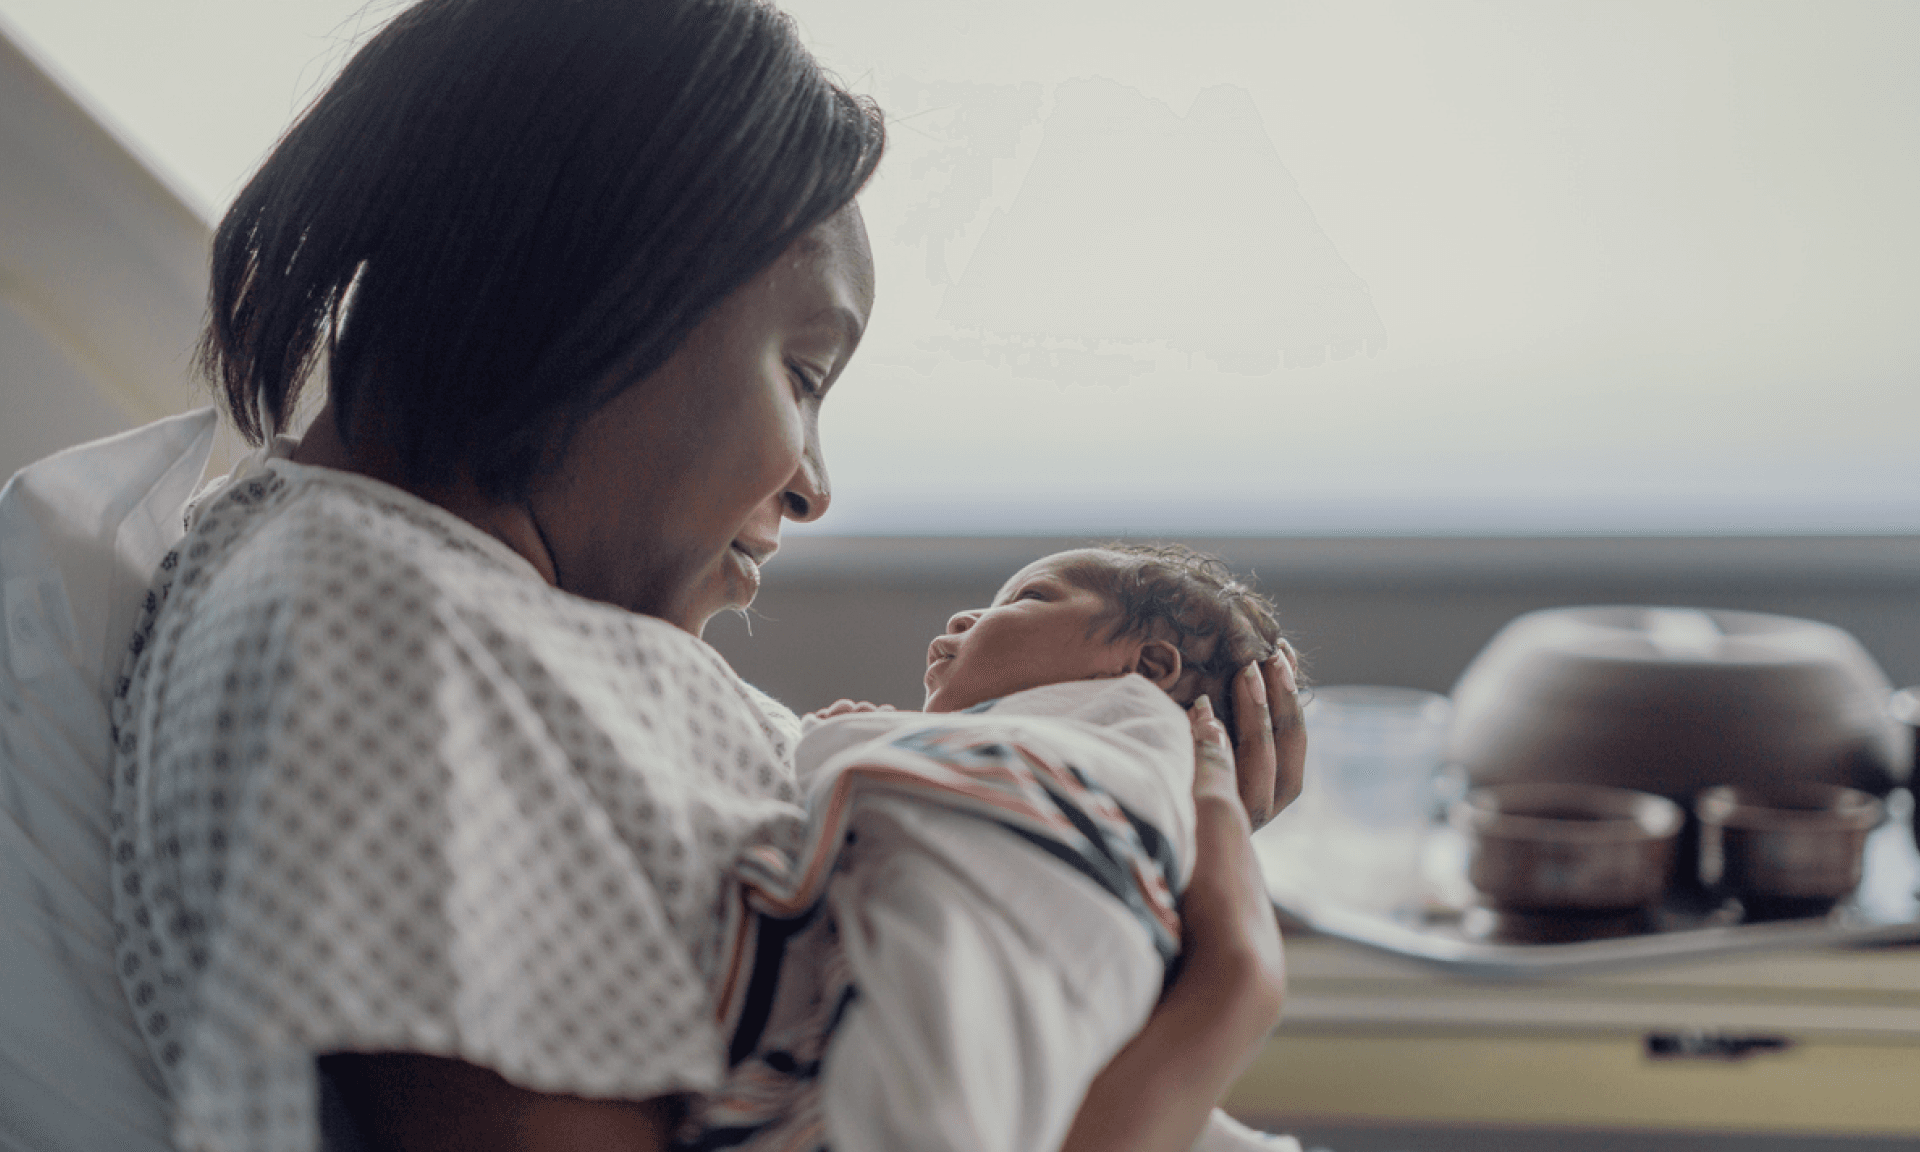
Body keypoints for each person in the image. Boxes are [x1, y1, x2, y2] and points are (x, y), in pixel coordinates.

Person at [105, 2, 1302, 1151]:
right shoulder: (371, 635)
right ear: (606, 284)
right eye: (806, 375)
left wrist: (1110, 829)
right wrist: (1213, 1006)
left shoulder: (444, 605)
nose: (813, 486)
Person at [677, 544, 1306, 1152]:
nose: (962, 618)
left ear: (1147, 669)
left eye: (1029, 597)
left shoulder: (1123, 727)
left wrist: (839, 733)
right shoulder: (1165, 793)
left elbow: (826, 767)